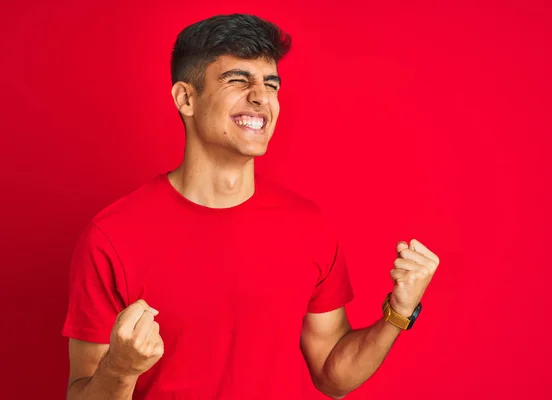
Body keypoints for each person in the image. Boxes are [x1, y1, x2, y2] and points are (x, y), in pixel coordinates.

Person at [62, 13, 440, 400]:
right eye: (239, 81)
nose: (261, 96)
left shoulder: (308, 226)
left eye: (270, 84)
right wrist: (120, 370)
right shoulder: (113, 236)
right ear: (186, 98)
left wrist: (398, 312)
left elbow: (332, 375)